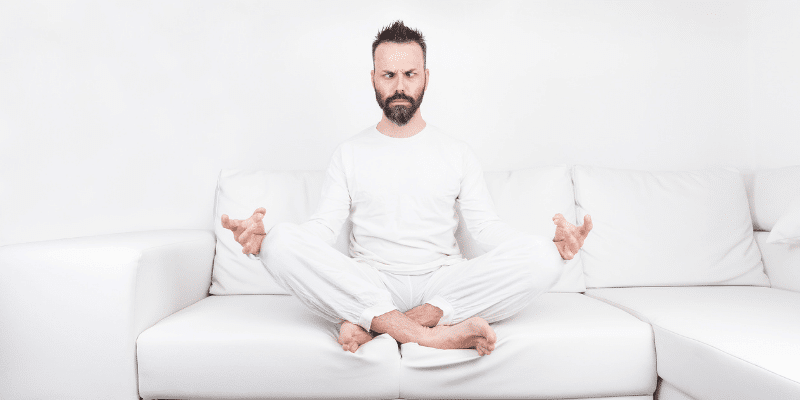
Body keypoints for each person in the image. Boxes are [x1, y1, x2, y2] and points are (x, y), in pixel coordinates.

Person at [221, 20, 592, 356]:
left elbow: (485, 228)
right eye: (389, 75)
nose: (400, 86)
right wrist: (267, 240)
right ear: (373, 78)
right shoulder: (348, 153)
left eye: (410, 74)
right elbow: (323, 227)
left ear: (426, 77)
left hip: (442, 281)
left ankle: (381, 326)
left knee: (543, 258)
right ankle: (432, 336)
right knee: (281, 242)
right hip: (371, 279)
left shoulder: (457, 152)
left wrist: (551, 246)